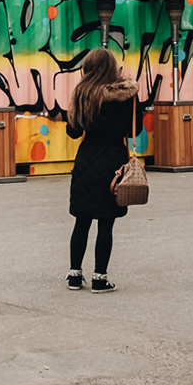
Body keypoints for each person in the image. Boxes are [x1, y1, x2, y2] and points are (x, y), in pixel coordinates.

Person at [64, 48, 140, 293]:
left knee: (81, 221)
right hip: (114, 163)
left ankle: (75, 275)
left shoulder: (82, 93)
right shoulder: (127, 95)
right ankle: (99, 278)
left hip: (87, 160)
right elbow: (133, 131)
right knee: (106, 224)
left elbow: (73, 132)